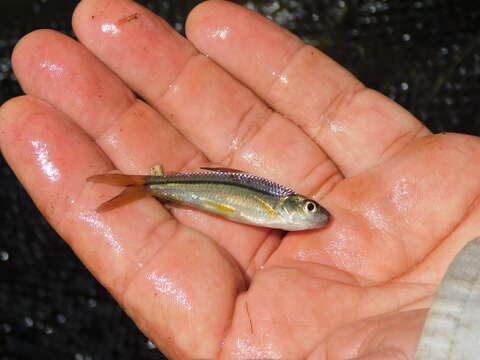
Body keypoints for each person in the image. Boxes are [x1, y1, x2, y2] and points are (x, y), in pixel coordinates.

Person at [1, 0, 479, 358]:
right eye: (309, 207)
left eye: (310, 207)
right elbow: (237, 190)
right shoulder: (277, 204)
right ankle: (135, 184)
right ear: (292, 207)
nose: (314, 212)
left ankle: (135, 185)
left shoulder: (282, 209)